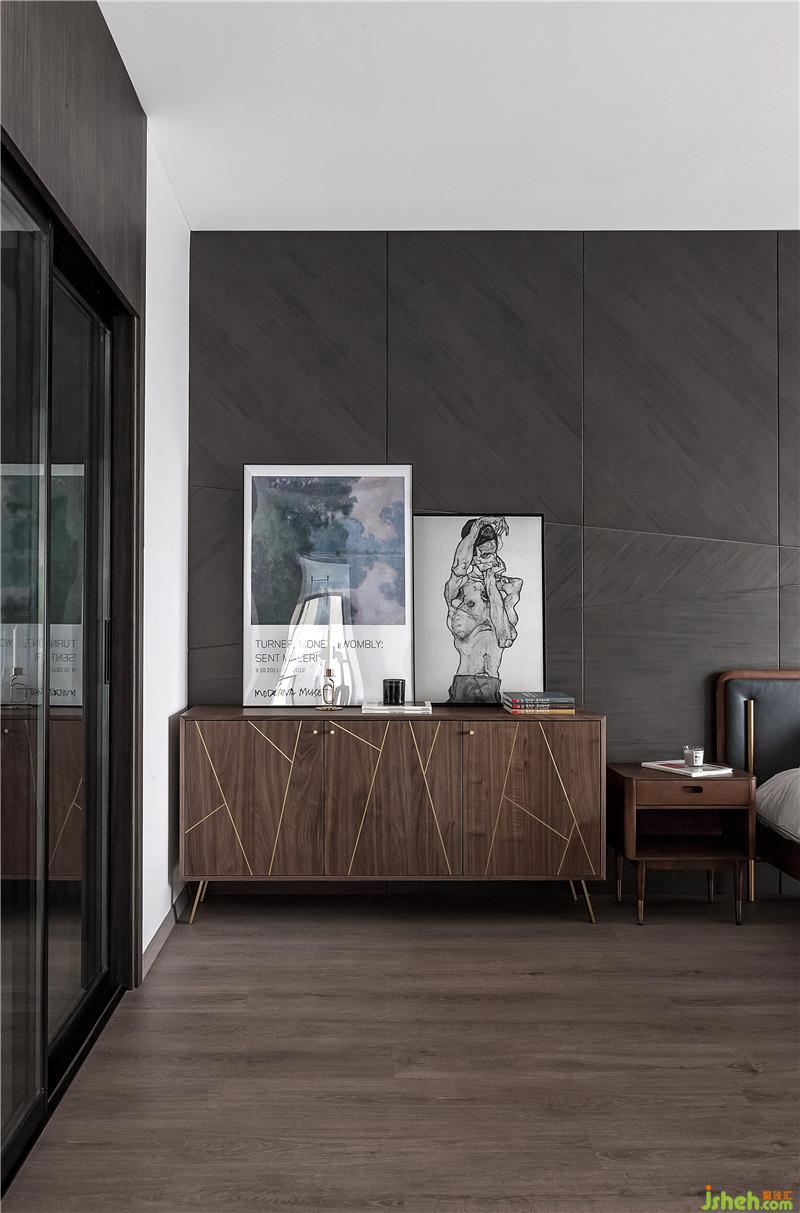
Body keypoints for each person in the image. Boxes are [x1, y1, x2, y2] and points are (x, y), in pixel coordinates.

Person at [444, 516, 522, 703]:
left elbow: (505, 637)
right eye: (486, 554)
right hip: (465, 683)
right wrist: (481, 523)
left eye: (494, 553)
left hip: (492, 686)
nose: (493, 559)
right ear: (472, 554)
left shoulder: (508, 588)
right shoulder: (459, 588)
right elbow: (459, 565)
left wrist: (491, 583)